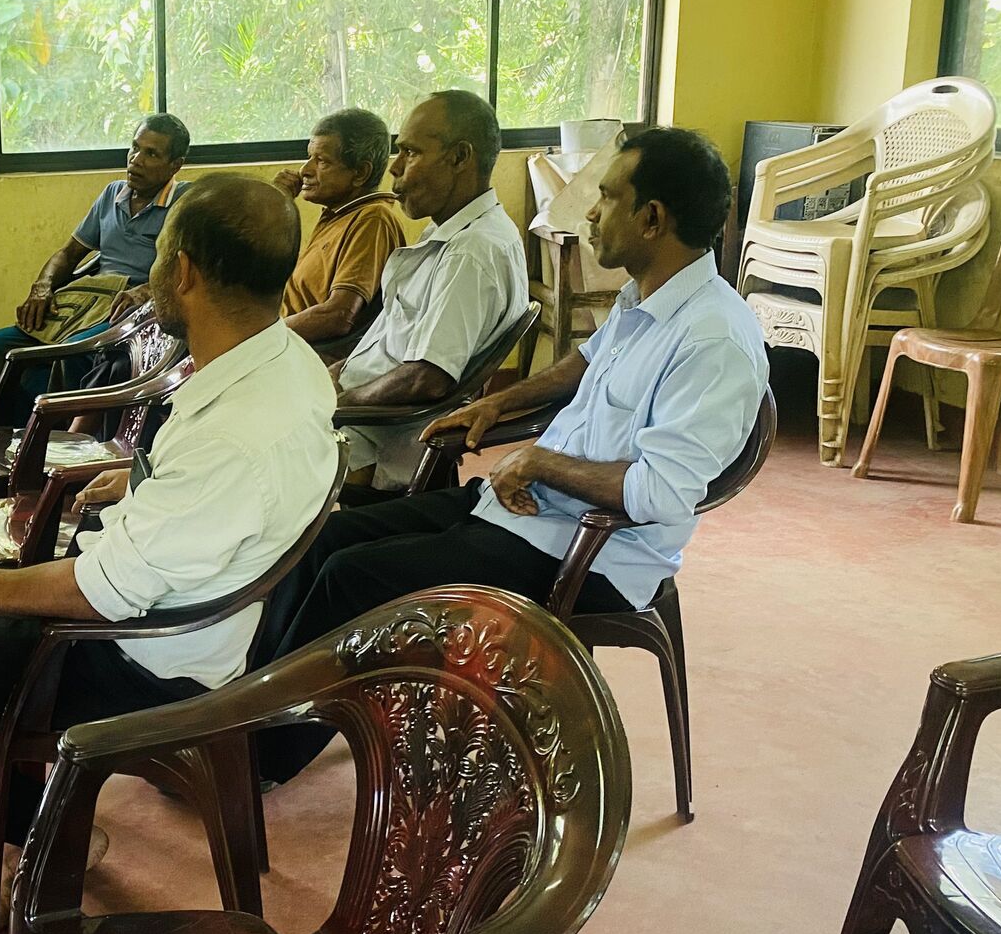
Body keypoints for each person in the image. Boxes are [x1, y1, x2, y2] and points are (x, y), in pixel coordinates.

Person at [255, 127, 768, 778]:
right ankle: (249, 709)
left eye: (607, 197)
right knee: (323, 539)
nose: (591, 213)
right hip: (529, 509)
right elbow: (583, 364)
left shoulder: (712, 339)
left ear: (652, 218)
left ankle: (258, 757)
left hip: (594, 552)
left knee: (351, 576)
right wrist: (498, 404)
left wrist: (537, 461)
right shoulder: (645, 296)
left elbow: (660, 493)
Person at [0, 174, 339, 843]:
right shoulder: (290, 363)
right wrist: (142, 482)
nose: (151, 271)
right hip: (188, 612)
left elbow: (102, 595)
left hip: (144, 662)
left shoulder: (232, 437)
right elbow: (235, 495)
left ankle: (53, 838)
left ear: (184, 272)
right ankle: (2, 754)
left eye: (159, 255)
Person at [334, 90, 528, 490]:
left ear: (459, 157)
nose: (395, 168)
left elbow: (428, 377)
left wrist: (334, 405)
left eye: (410, 153)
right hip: (361, 420)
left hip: (377, 440)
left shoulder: (471, 253)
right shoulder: (452, 232)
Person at [0, 113, 190, 427]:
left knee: (69, 352)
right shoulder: (112, 194)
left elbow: (185, 271)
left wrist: (143, 291)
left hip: (132, 312)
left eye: (151, 154)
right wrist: (43, 286)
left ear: (175, 165)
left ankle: (57, 443)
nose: (136, 159)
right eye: (134, 147)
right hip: (88, 302)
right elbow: (69, 253)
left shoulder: (183, 204)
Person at [275, 108, 410, 351]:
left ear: (361, 173)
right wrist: (276, 202)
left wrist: (263, 339)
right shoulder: (336, 216)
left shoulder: (372, 219)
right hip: (284, 343)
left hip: (306, 355)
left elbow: (339, 315)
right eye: (309, 157)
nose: (305, 170)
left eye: (322, 161)